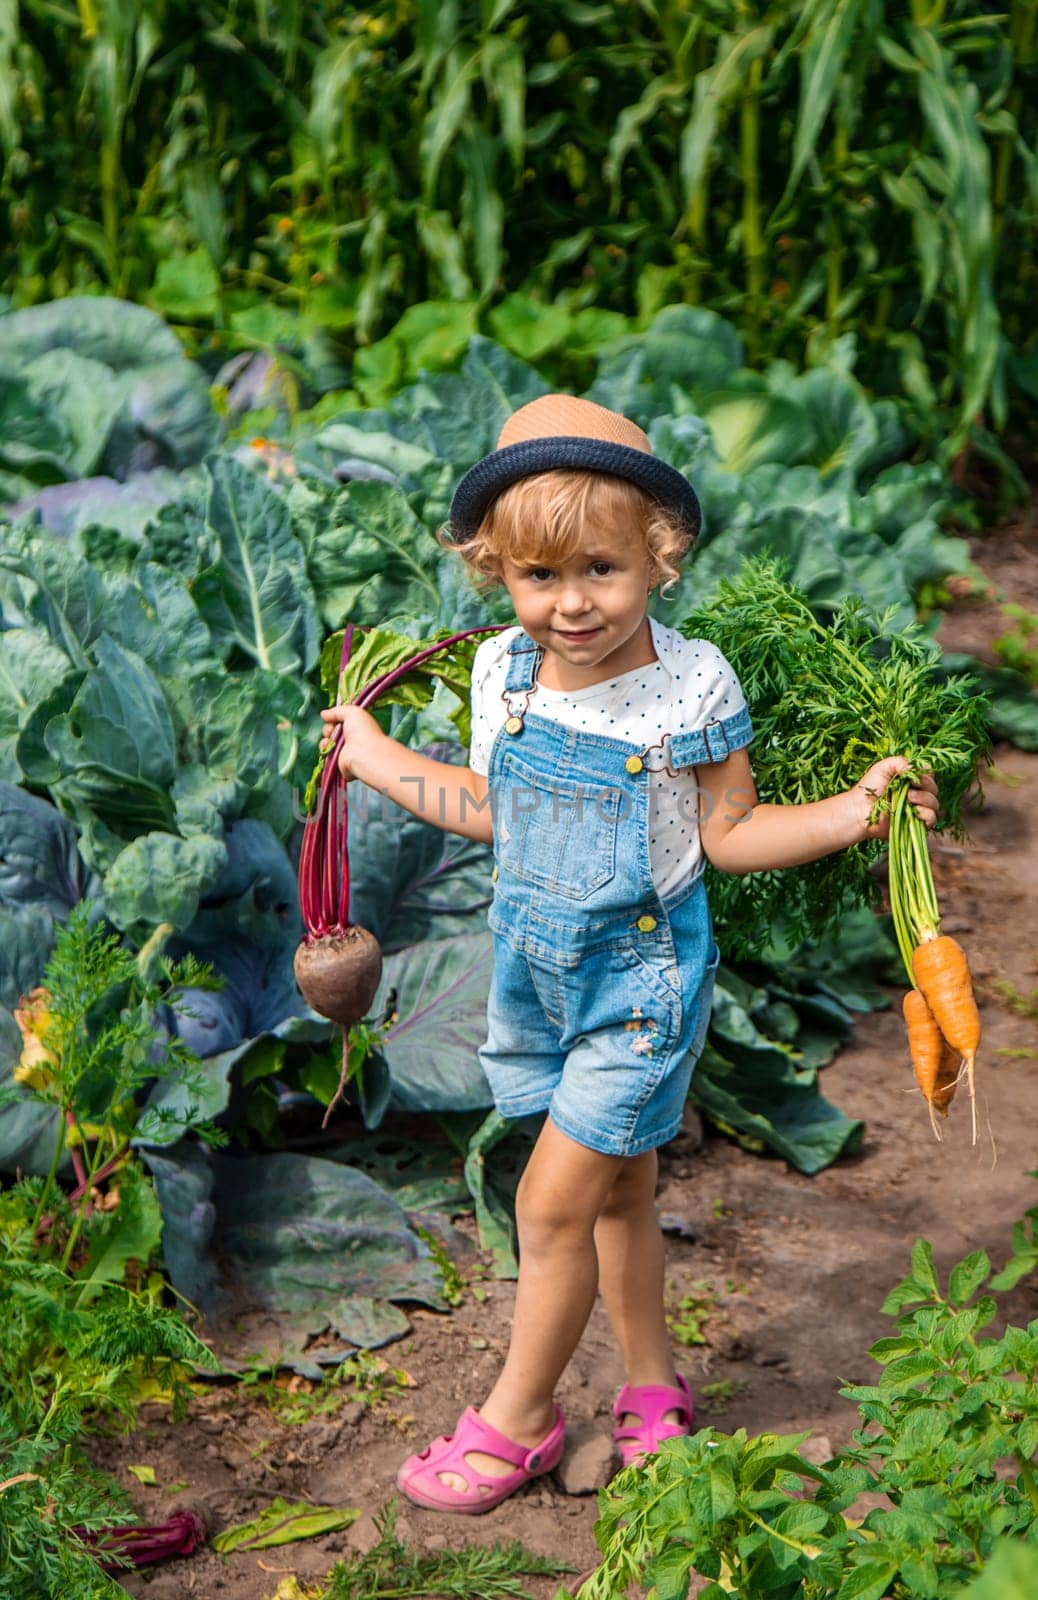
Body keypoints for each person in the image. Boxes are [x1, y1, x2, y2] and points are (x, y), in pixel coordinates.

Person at [319, 393, 940, 1515]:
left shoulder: (690, 685)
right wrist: (372, 759)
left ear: (660, 554)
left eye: (600, 569)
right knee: (619, 1196)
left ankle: (519, 1421)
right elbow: (490, 808)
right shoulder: (500, 671)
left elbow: (730, 832)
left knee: (551, 1206)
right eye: (538, 576)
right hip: (531, 978)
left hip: (641, 990)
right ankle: (653, 1384)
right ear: (497, 570)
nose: (569, 604)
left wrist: (850, 812)